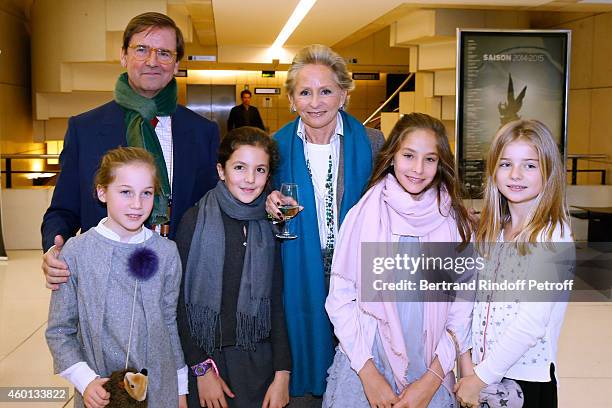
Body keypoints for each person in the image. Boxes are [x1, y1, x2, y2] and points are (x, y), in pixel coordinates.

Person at [41, 12, 219, 290]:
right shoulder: (84, 128)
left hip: (179, 278)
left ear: (176, 63)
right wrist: (54, 248)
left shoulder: (202, 133)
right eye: (141, 49)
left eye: (164, 52)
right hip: (102, 278)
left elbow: (213, 209)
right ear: (124, 56)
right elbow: (63, 210)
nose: (152, 61)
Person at [323, 113, 475, 408]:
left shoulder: (454, 223)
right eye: (408, 155)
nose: (418, 169)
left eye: (430, 159)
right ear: (392, 156)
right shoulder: (363, 215)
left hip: (431, 368)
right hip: (365, 361)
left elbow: (461, 312)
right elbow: (340, 300)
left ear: (441, 164)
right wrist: (369, 376)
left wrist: (430, 382)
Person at [266, 44, 385, 404]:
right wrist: (265, 201)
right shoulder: (274, 148)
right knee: (309, 351)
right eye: (305, 92)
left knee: (360, 366)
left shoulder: (373, 142)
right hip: (299, 269)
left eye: (326, 91)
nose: (315, 102)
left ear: (344, 95)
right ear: (291, 99)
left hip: (360, 270)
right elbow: (253, 193)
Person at [46, 147, 188, 408]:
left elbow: (170, 323)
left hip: (159, 388)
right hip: (100, 389)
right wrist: (84, 380)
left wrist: (180, 388)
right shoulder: (76, 252)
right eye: (125, 192)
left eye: (146, 193)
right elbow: (59, 330)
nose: (137, 204)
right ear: (102, 192)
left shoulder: (166, 252)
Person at [455, 119, 574, 408]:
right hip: (482, 374)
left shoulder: (554, 237)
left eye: (530, 165)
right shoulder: (492, 231)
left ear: (548, 171)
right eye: (506, 164)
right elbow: (471, 303)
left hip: (525, 381)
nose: (516, 174)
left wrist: (480, 378)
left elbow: (531, 323)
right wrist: (468, 367)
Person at [176, 127, 291, 408]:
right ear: (221, 170)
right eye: (240, 167)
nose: (250, 179)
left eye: (260, 170)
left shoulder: (270, 224)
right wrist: (201, 369)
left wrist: (282, 374)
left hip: (256, 362)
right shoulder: (195, 220)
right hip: (206, 363)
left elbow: (276, 303)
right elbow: (177, 303)